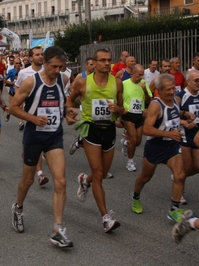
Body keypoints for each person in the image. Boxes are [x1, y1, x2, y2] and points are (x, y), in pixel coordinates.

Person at [10, 46, 73, 247]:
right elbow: (13, 107)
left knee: (61, 181)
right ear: (44, 63)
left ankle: (58, 228)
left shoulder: (63, 80)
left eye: (61, 67)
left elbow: (62, 104)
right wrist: (33, 118)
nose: (57, 70)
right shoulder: (31, 82)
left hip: (54, 137)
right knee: (27, 181)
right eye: (54, 66)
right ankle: (18, 208)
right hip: (34, 137)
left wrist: (68, 112)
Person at [68, 48, 124, 233]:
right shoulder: (83, 82)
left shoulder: (117, 83)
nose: (107, 63)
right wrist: (69, 114)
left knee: (103, 172)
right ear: (95, 62)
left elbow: (122, 109)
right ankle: (106, 218)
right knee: (99, 173)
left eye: (109, 60)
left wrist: (118, 110)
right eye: (103, 60)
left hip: (109, 130)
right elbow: (70, 101)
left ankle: (84, 180)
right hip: (91, 130)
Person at [130, 74, 194, 223]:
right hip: (156, 146)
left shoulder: (175, 100)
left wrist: (184, 115)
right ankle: (135, 196)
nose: (172, 92)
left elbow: (173, 112)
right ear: (159, 90)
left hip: (171, 145)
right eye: (168, 90)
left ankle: (174, 209)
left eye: (173, 88)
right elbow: (146, 129)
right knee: (145, 177)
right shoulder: (155, 105)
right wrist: (168, 133)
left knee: (180, 175)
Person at [14, 46, 49, 185]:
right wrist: (19, 99)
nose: (40, 56)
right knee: (36, 141)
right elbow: (17, 86)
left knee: (43, 141)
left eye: (42, 54)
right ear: (30, 57)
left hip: (47, 111)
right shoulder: (24, 73)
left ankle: (36, 164)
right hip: (31, 112)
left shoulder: (48, 71)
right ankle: (40, 172)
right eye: (37, 54)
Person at [175, 70, 199, 204]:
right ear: (188, 82)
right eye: (196, 80)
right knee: (186, 166)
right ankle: (180, 191)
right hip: (184, 136)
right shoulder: (181, 96)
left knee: (197, 166)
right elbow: (172, 114)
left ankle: (177, 177)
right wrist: (184, 121)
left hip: (198, 136)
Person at [120, 64, 152, 171]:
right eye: (139, 74)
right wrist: (121, 110)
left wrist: (145, 91)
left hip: (139, 114)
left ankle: (125, 142)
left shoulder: (143, 84)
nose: (141, 77)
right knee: (133, 138)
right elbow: (118, 97)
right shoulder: (124, 84)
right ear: (133, 73)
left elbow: (148, 100)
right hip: (127, 114)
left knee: (137, 142)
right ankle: (130, 162)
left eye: (143, 75)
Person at [4, 58, 21, 123]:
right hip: (12, 90)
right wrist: (12, 83)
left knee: (20, 107)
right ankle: (9, 113)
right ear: (14, 64)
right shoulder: (11, 71)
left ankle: (21, 122)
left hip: (20, 91)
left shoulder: (23, 71)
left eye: (19, 63)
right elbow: (5, 80)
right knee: (11, 106)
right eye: (17, 63)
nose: (18, 64)